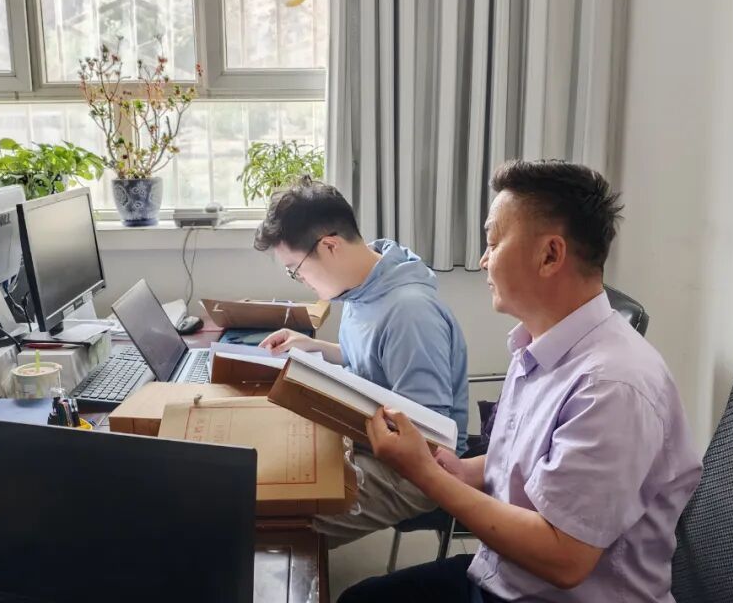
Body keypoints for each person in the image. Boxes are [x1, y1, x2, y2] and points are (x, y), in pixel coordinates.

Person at [340, 160, 703, 602]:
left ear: (550, 255)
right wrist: (461, 470)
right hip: (504, 574)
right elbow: (529, 460)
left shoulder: (612, 387)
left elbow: (563, 558)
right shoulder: (540, 342)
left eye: (494, 242)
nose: (484, 259)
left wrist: (425, 474)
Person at [254, 176, 469, 547]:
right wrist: (315, 348)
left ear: (330, 246)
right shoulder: (365, 283)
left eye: (296, 269)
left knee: (280, 513)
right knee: (272, 462)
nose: (299, 279)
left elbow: (427, 437)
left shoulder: (410, 313)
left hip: (420, 470)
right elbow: (374, 361)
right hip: (371, 436)